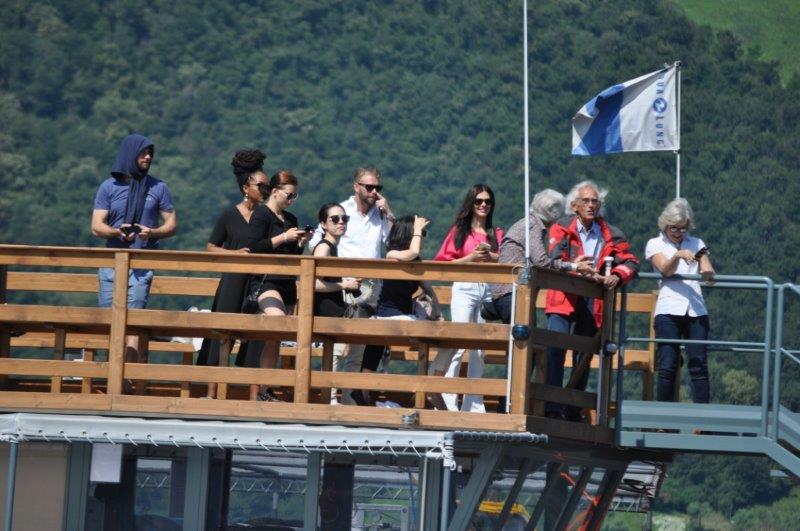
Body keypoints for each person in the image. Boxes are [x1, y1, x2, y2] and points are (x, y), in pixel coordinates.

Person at [544, 180, 639, 420]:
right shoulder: (561, 228)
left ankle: (573, 407)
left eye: (595, 201)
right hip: (563, 294)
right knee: (555, 347)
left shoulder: (611, 233)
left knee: (584, 353)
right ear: (574, 205)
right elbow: (553, 259)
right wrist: (577, 269)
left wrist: (617, 276)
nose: (591, 205)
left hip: (592, 299)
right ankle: (552, 407)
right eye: (585, 201)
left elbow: (632, 262)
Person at [91, 134, 177, 390]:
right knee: (110, 322)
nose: (148, 157)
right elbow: (96, 227)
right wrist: (118, 232)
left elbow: (171, 224)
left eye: (150, 153)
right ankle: (111, 378)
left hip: (141, 266)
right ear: (130, 154)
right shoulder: (109, 188)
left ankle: (124, 381)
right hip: (111, 263)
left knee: (134, 323)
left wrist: (152, 233)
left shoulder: (158, 187)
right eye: (143, 153)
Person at [308, 166, 394, 404]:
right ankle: (330, 398)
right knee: (338, 347)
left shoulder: (380, 214)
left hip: (372, 288)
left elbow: (394, 244)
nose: (374, 192)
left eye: (378, 187)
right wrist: (338, 277)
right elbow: (317, 244)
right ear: (356, 187)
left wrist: (388, 213)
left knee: (359, 348)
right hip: (346, 288)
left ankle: (348, 400)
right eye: (369, 187)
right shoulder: (341, 212)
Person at [197, 149, 269, 399]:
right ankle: (211, 393)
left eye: (267, 186)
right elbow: (211, 247)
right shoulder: (229, 215)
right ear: (246, 187)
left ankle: (252, 396)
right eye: (261, 186)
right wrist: (234, 254)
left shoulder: (266, 216)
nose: (265, 190)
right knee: (221, 334)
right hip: (232, 281)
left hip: (257, 282)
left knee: (255, 336)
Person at [430, 184, 503, 413]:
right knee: (458, 343)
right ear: (471, 203)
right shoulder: (459, 232)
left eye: (487, 201)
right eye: (478, 201)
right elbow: (443, 262)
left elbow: (507, 260)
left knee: (479, 349)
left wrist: (491, 256)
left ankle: (474, 401)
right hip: (464, 286)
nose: (483, 205)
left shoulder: (497, 233)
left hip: (488, 289)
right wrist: (471, 257)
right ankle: (448, 398)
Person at [358, 215, 442, 407]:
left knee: (428, 341)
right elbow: (412, 252)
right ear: (410, 234)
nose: (422, 237)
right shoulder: (392, 254)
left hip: (403, 317)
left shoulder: (415, 261)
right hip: (388, 316)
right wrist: (418, 230)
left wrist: (437, 311)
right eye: (419, 233)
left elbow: (428, 288)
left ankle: (421, 397)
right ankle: (364, 399)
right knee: (373, 354)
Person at [645, 198, 715, 403]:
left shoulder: (697, 243)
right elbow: (665, 271)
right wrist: (678, 256)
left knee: (698, 364)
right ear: (665, 225)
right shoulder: (654, 244)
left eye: (683, 229)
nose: (678, 233)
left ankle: (703, 423)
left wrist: (707, 272)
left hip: (696, 310)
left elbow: (707, 269)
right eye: (674, 228)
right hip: (668, 309)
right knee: (668, 364)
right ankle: (663, 421)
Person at [490, 189, 593, 324]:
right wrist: (574, 266)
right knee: (525, 339)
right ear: (553, 212)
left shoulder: (528, 223)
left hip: (508, 291)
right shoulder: (533, 226)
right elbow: (542, 262)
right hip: (514, 293)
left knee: (520, 338)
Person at [251, 170, 311, 401]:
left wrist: (300, 243)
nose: (291, 201)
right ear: (275, 192)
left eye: (295, 197)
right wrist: (284, 237)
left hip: (287, 283)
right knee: (276, 324)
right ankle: (259, 387)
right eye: (288, 196)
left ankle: (265, 390)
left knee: (275, 338)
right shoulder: (261, 215)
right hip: (266, 281)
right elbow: (255, 247)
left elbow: (293, 255)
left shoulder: (291, 219)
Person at [312, 203, 361, 317]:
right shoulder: (324, 248)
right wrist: (345, 285)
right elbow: (313, 283)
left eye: (344, 218)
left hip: (334, 311)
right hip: (326, 315)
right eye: (335, 219)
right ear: (323, 224)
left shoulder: (331, 247)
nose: (341, 221)